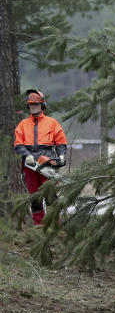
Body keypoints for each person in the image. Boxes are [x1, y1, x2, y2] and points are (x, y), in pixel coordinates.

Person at [13, 89, 67, 225]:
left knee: (50, 195)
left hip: (47, 161)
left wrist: (61, 155)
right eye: (31, 105)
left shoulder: (52, 123)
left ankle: (54, 224)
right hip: (29, 163)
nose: (33, 107)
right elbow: (18, 144)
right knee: (34, 197)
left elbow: (61, 142)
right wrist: (27, 155)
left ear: (42, 105)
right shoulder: (23, 124)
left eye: (36, 104)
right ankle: (39, 225)